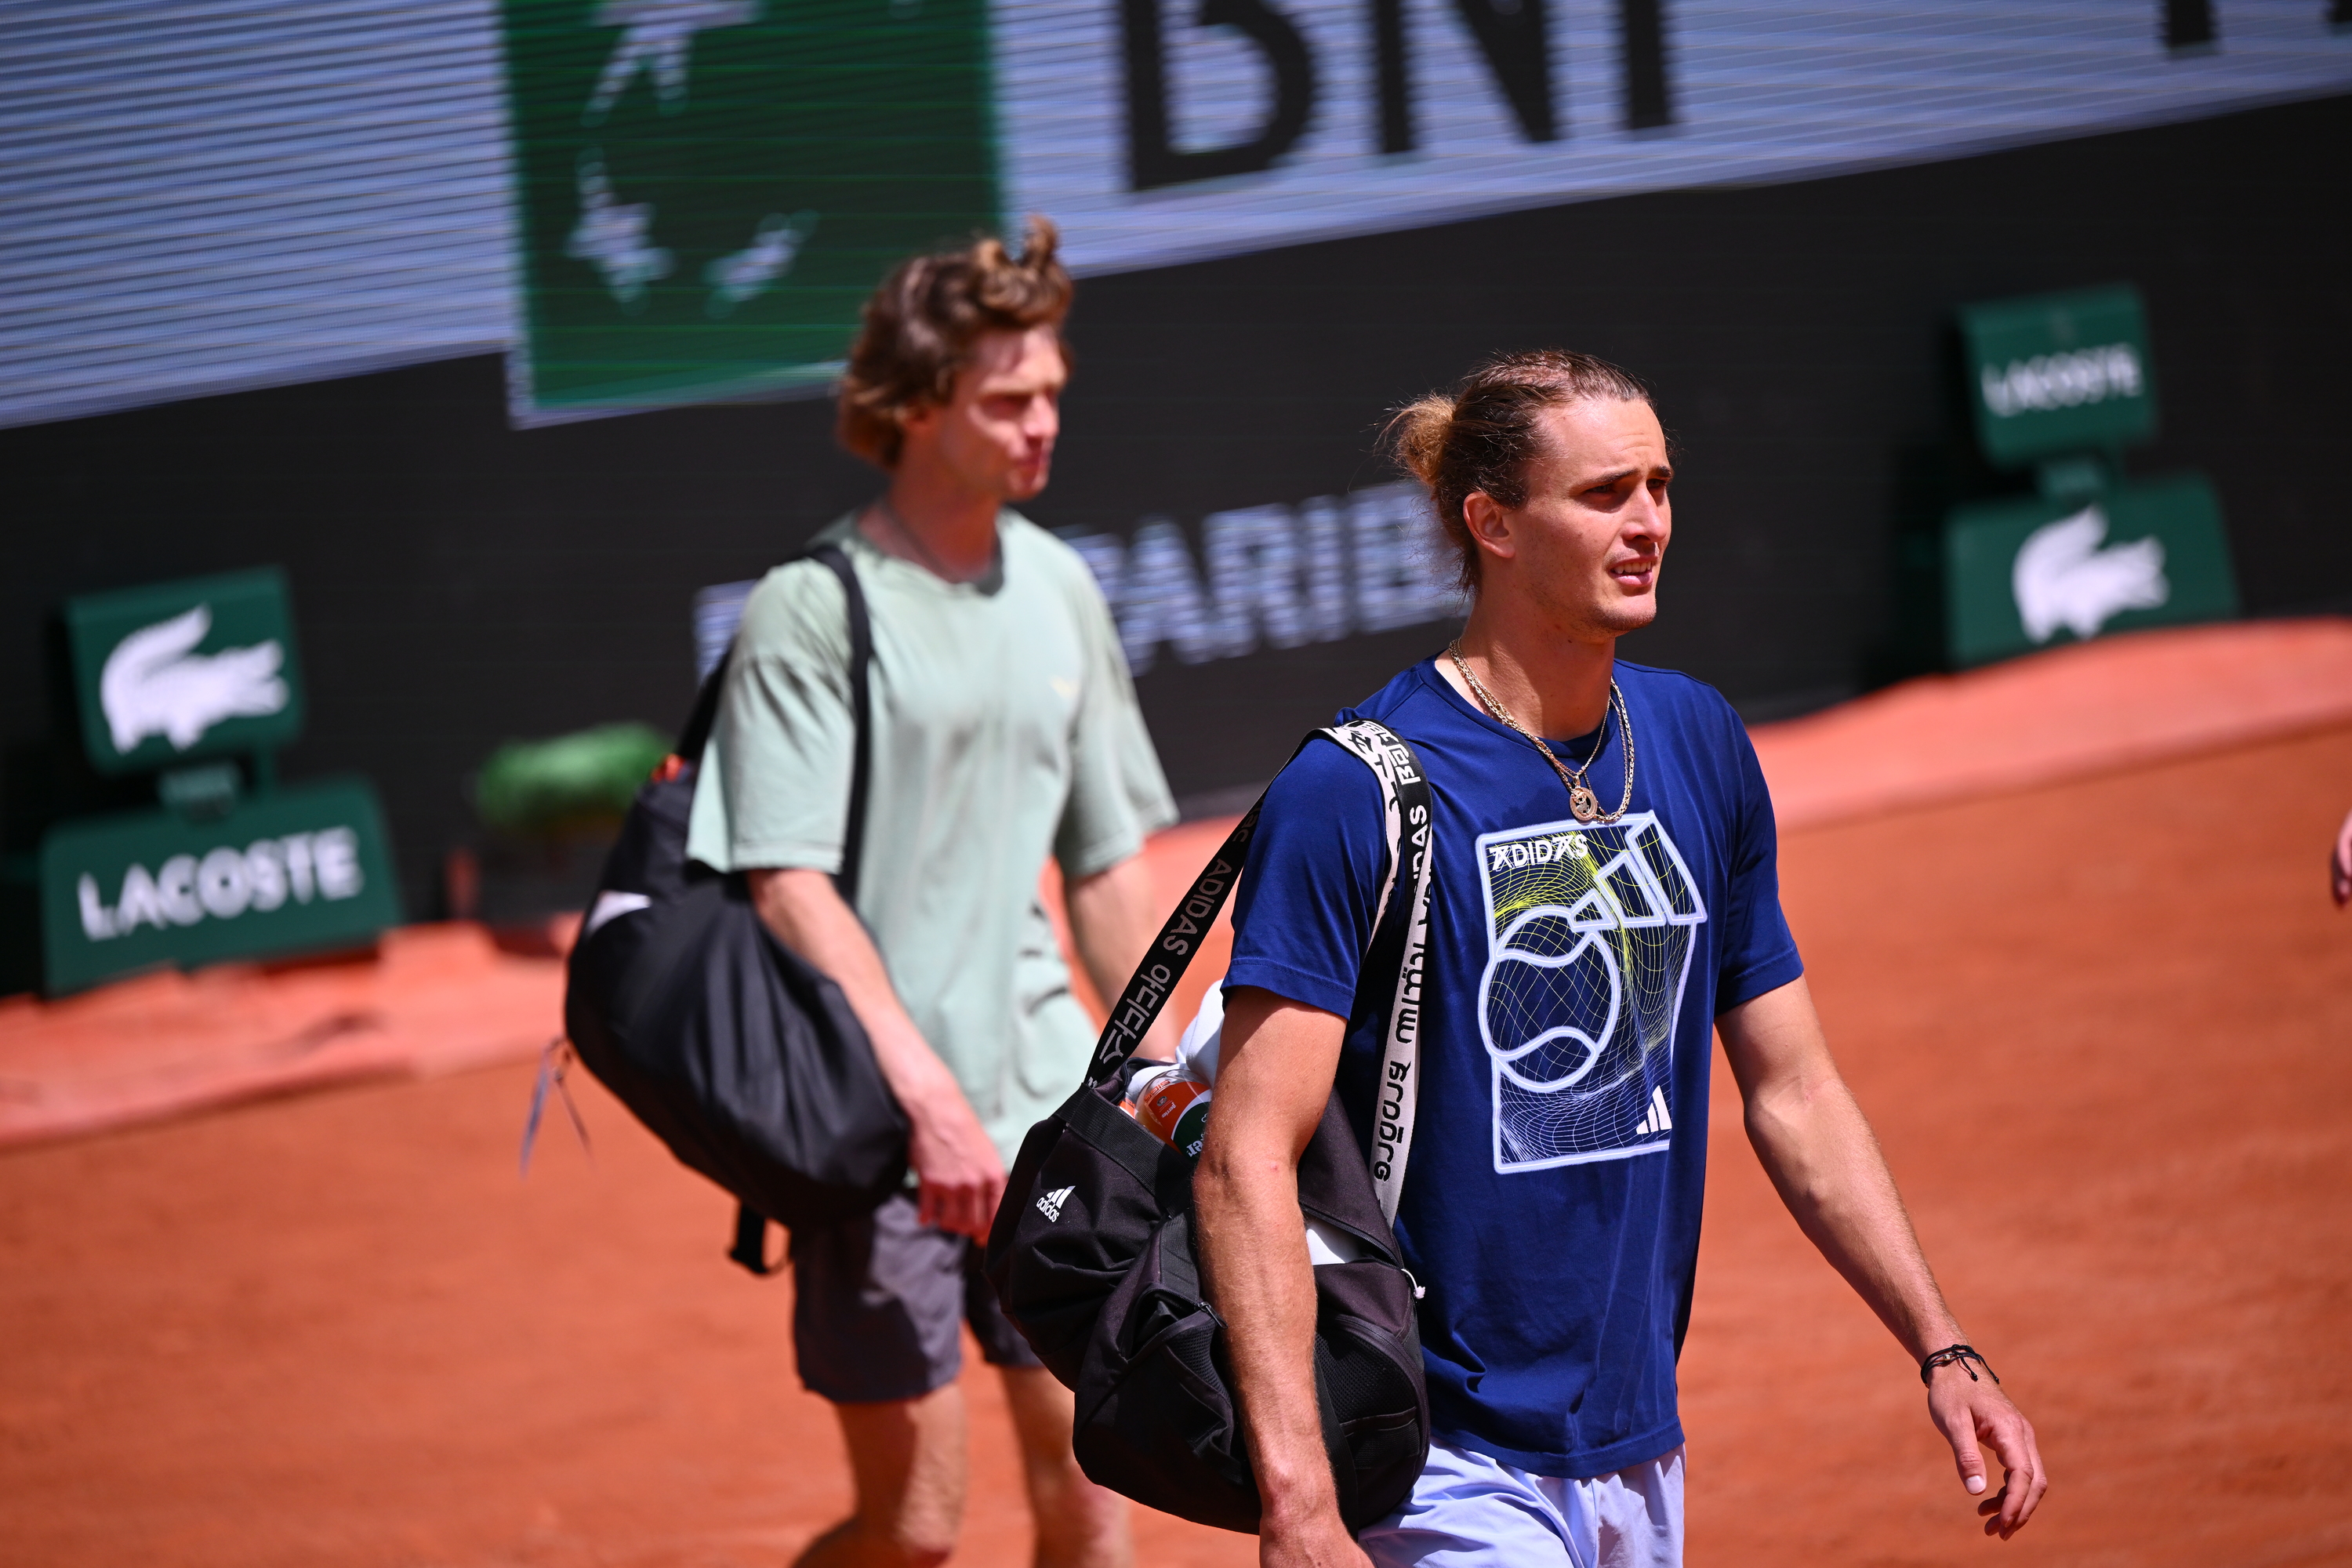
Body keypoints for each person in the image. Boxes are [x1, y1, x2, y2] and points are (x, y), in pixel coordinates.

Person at [1192, 349, 2049, 1567]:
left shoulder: (1696, 740)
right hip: (1438, 1449)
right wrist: (1297, 1498)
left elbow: (1794, 1091)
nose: (1647, 522)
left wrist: (1942, 1343)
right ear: (1490, 522)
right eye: (1602, 494)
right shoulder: (1357, 789)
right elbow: (1244, 1158)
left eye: (1657, 485)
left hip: (1638, 1441)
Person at [685, 216, 1176, 1568]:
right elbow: (787, 884)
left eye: (1052, 396)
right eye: (1006, 399)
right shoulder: (810, 606)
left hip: (1042, 1125)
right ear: (912, 406)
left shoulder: (1064, 588)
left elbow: (1104, 867)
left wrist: (1161, 1072)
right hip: (877, 1135)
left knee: (1092, 1501)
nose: (1041, 425)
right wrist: (926, 1094)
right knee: (915, 1530)